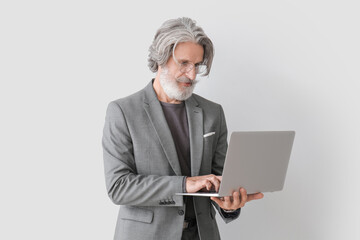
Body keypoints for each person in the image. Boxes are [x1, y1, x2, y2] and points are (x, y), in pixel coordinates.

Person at [102, 17, 264, 240]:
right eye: (184, 63)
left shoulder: (212, 112)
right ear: (161, 58)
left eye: (197, 65)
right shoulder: (123, 111)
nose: (192, 74)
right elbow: (119, 186)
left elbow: (220, 179)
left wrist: (229, 203)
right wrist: (185, 184)